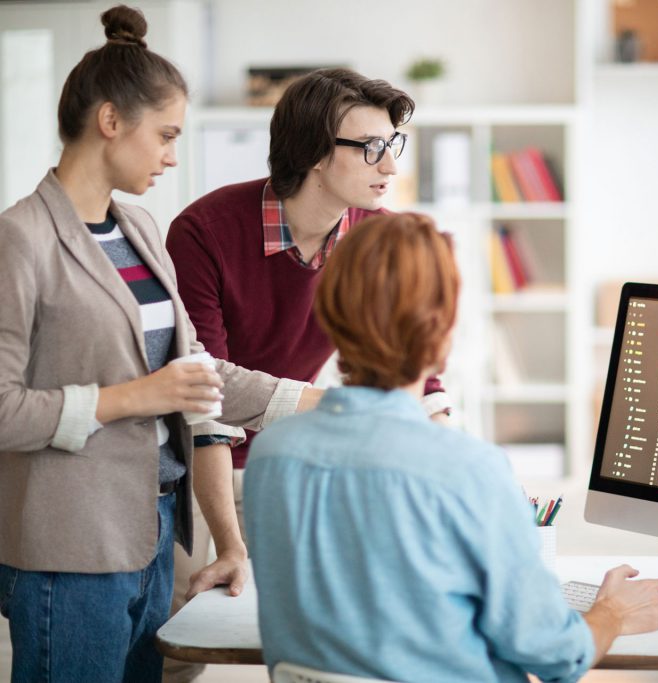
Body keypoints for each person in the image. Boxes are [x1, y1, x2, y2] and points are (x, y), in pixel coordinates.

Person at [0, 7, 321, 682]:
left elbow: (197, 375)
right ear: (111, 121)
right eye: (166, 134)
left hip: (155, 535)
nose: (174, 154)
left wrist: (317, 401)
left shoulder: (142, 229)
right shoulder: (19, 239)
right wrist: (131, 397)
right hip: (69, 552)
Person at [244, 212, 658, 682]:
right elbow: (556, 657)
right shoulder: (468, 470)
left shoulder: (272, 454)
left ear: (331, 320)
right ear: (440, 339)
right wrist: (612, 613)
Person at [162, 65, 451, 682]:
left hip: (287, 460)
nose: (390, 166)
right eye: (371, 148)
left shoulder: (374, 237)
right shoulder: (205, 230)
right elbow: (203, 395)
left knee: (319, 644)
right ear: (318, 154)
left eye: (391, 146)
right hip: (189, 459)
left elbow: (412, 363)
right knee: (178, 647)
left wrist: (451, 448)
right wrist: (229, 543)